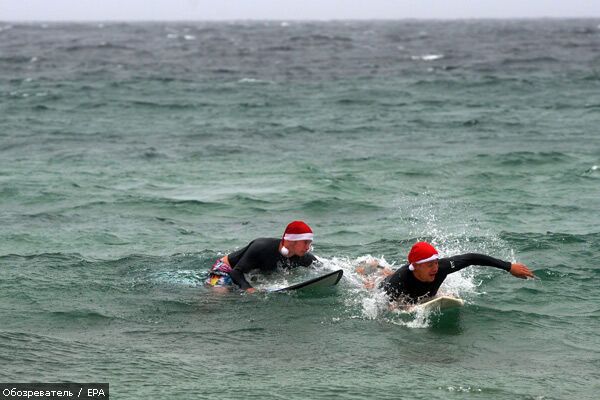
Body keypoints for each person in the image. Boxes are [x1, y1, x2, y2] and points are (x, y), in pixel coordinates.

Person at [381, 241, 534, 305]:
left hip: (421, 291)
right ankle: (375, 268)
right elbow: (384, 305)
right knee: (374, 281)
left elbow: (471, 258)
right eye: (429, 265)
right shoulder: (399, 280)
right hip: (388, 286)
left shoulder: (442, 267)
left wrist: (509, 267)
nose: (435, 268)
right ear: (415, 265)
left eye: (436, 262)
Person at [205, 220, 318, 292]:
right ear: (292, 241)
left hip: (250, 274)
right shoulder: (262, 247)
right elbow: (236, 272)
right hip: (224, 269)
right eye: (305, 242)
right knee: (221, 294)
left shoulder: (301, 255)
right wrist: (249, 289)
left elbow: (321, 266)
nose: (308, 247)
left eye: (309, 243)